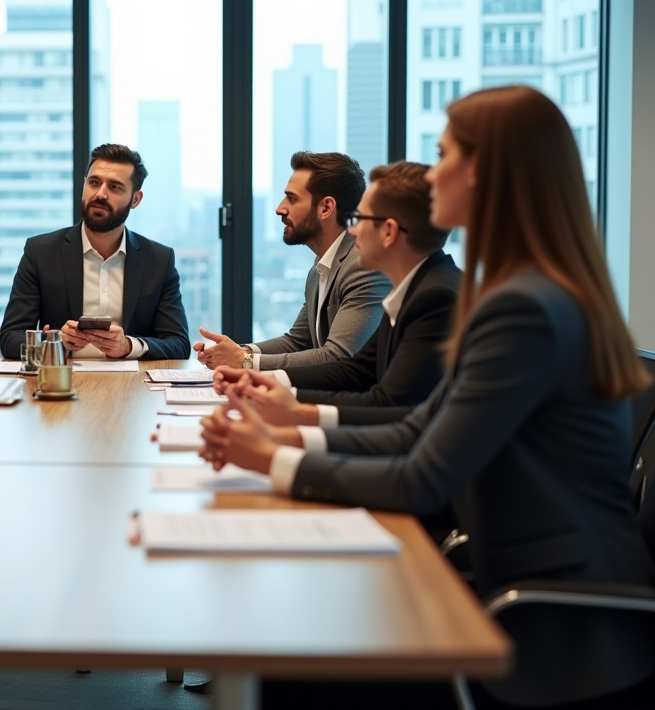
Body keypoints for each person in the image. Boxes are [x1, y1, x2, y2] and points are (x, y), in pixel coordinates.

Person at [199, 86, 655, 708]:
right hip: (514, 583)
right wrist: (284, 436)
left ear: (487, 172)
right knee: (296, 637)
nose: (433, 171)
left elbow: (422, 476)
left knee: (297, 654)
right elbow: (418, 428)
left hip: (551, 625)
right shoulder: (520, 289)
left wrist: (274, 460)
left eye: (444, 154)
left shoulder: (521, 306)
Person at [211, 161, 461, 427]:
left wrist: (291, 411)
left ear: (389, 231)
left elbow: (388, 403)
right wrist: (260, 379)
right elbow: (356, 370)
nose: (352, 230)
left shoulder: (435, 297)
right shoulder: (414, 288)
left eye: (361, 219)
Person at [196, 151, 391, 370]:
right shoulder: (319, 271)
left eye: (292, 198)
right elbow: (297, 342)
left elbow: (338, 357)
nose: (280, 208)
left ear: (326, 208)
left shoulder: (363, 266)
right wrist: (238, 351)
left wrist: (244, 361)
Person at [0, 143, 191, 360]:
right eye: (94, 183)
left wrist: (128, 346)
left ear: (135, 199)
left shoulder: (159, 260)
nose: (100, 194)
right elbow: (9, 338)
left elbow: (179, 344)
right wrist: (57, 342)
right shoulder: (41, 253)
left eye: (115, 187)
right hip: (61, 383)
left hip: (132, 387)